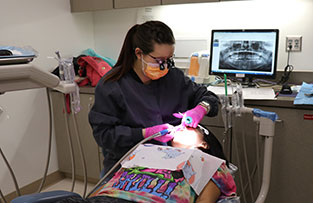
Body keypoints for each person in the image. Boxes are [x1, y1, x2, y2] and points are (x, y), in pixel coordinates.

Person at [88, 20, 219, 177]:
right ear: (139, 53)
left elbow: (209, 97)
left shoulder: (173, 78)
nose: (164, 66)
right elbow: (105, 136)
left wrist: (200, 109)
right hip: (128, 166)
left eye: (168, 59)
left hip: (174, 164)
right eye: (159, 60)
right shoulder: (112, 86)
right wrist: (144, 134)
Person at [57, 125, 237, 203]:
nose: (181, 126)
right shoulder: (148, 151)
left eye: (190, 127)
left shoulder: (212, 163)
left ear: (204, 143)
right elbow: (112, 182)